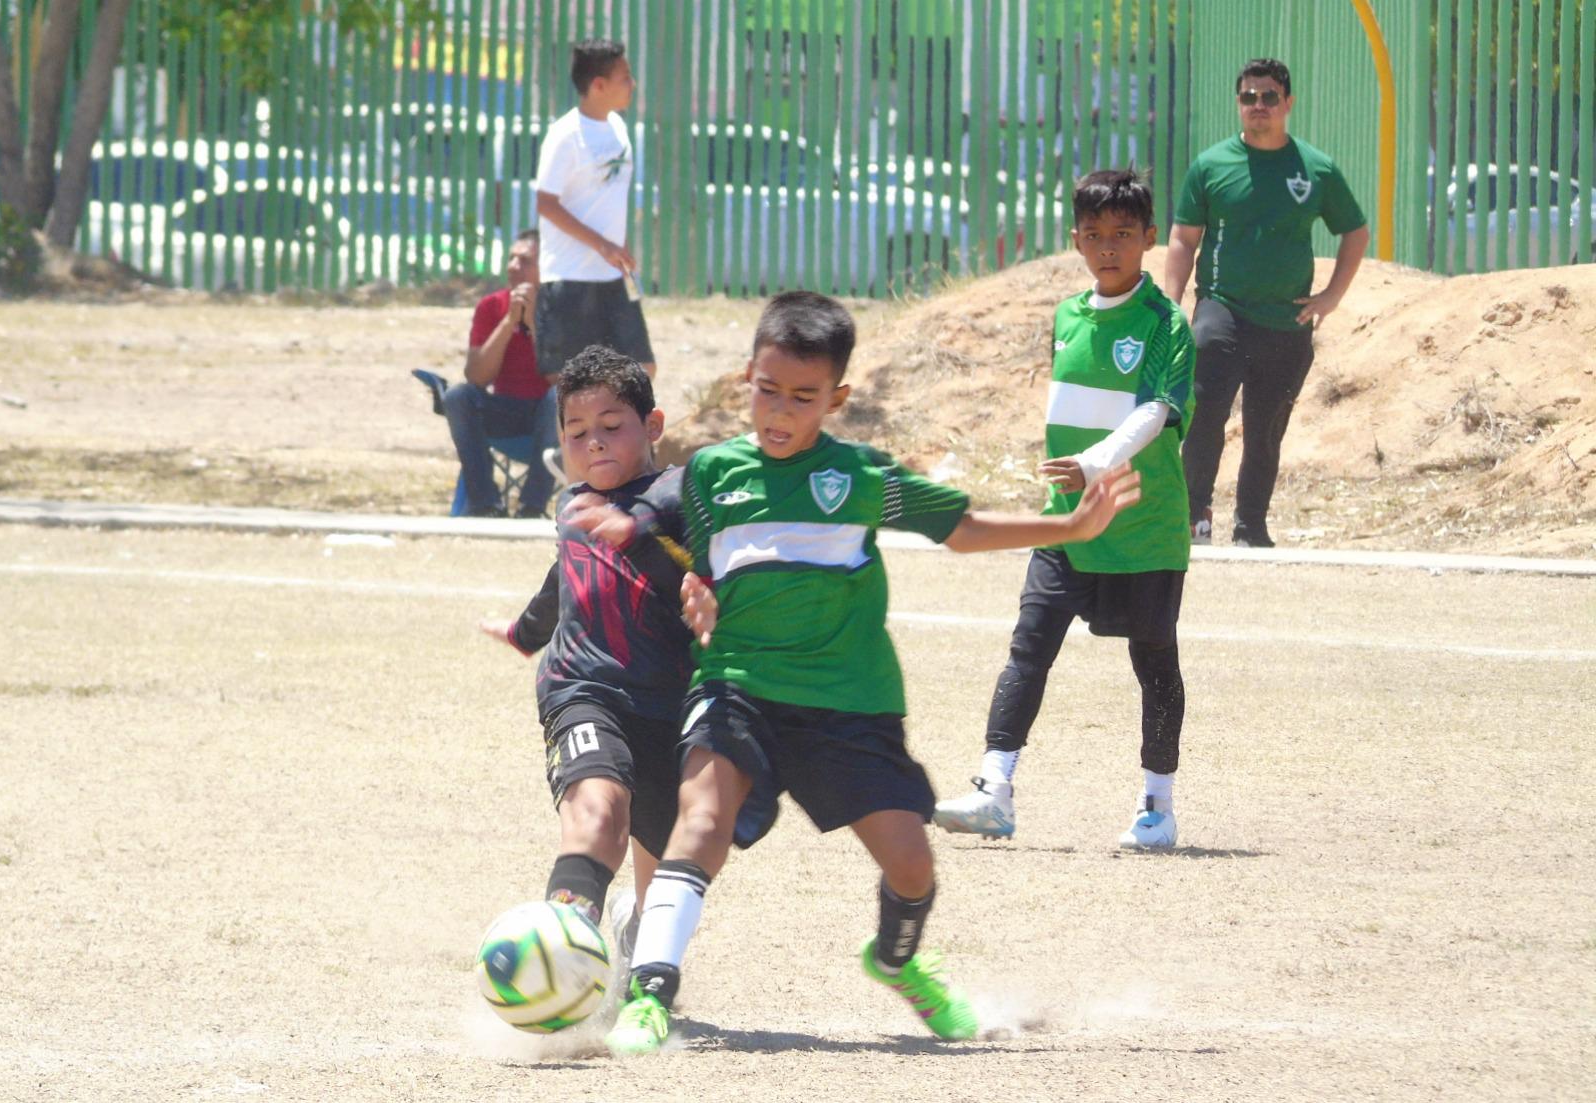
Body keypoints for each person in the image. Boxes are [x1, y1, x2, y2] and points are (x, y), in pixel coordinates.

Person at [563, 290, 1141, 1057]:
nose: (780, 411)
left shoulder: (862, 477)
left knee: (911, 861)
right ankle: (649, 993)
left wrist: (1069, 525)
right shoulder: (710, 476)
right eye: (768, 390)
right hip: (736, 687)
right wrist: (659, 555)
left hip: (849, 703)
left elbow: (962, 527)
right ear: (748, 378)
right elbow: (665, 536)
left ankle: (896, 959)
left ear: (836, 397)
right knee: (697, 824)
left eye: (803, 397)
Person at [933, 169, 1195, 853]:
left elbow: (1155, 411)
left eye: (1123, 235)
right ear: (1076, 238)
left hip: (1143, 524)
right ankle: (995, 788)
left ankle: (1156, 806)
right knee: (1030, 644)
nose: (1108, 247)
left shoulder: (1166, 322)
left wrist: (1096, 464)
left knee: (1154, 661)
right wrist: (1073, 477)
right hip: (1066, 520)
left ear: (1146, 239)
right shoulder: (1068, 314)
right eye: (1095, 234)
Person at [479, 345, 697, 965]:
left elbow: (701, 577)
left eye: (610, 427)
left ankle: (636, 950)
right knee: (599, 816)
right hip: (583, 690)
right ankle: (563, 957)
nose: (594, 443)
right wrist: (526, 633)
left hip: (671, 706)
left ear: (652, 428)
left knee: (663, 885)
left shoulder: (681, 499)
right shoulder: (571, 505)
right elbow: (566, 576)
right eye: (577, 432)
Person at [1164, 57, 1369, 548]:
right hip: (1222, 308)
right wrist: (1172, 303)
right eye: (1249, 97)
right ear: (1238, 104)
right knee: (1206, 408)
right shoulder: (1211, 165)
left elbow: (1355, 232)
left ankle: (1250, 526)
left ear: (1288, 103)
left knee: (1265, 428)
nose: (1258, 106)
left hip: (1287, 318)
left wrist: (1331, 297)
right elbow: (1183, 239)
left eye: (1269, 97)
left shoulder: (1315, 169)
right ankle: (1194, 516)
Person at [534, 38, 656, 387]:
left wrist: (621, 246)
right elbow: (546, 204)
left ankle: (622, 441)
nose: (632, 84)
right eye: (625, 77)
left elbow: (610, 196)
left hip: (611, 278)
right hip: (570, 277)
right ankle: (562, 443)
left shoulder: (618, 128)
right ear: (598, 85)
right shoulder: (565, 135)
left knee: (641, 368)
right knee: (571, 383)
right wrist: (602, 245)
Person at [444, 229, 560, 517]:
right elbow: (477, 378)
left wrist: (533, 324)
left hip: (548, 418)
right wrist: (509, 322)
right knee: (459, 396)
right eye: (511, 258)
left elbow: (561, 379)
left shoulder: (563, 307)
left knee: (560, 397)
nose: (513, 266)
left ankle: (531, 507)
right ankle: (485, 505)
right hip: (505, 410)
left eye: (524, 261)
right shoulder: (491, 307)